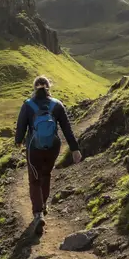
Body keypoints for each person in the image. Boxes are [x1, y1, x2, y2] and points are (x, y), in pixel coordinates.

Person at [15, 75, 82, 236]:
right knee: (46, 174)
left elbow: (21, 128)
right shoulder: (57, 105)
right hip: (53, 147)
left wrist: (18, 142)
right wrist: (75, 149)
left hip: (34, 148)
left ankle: (38, 214)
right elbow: (67, 129)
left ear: (34, 87)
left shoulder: (28, 105)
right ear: (48, 87)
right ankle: (44, 205)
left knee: (34, 179)